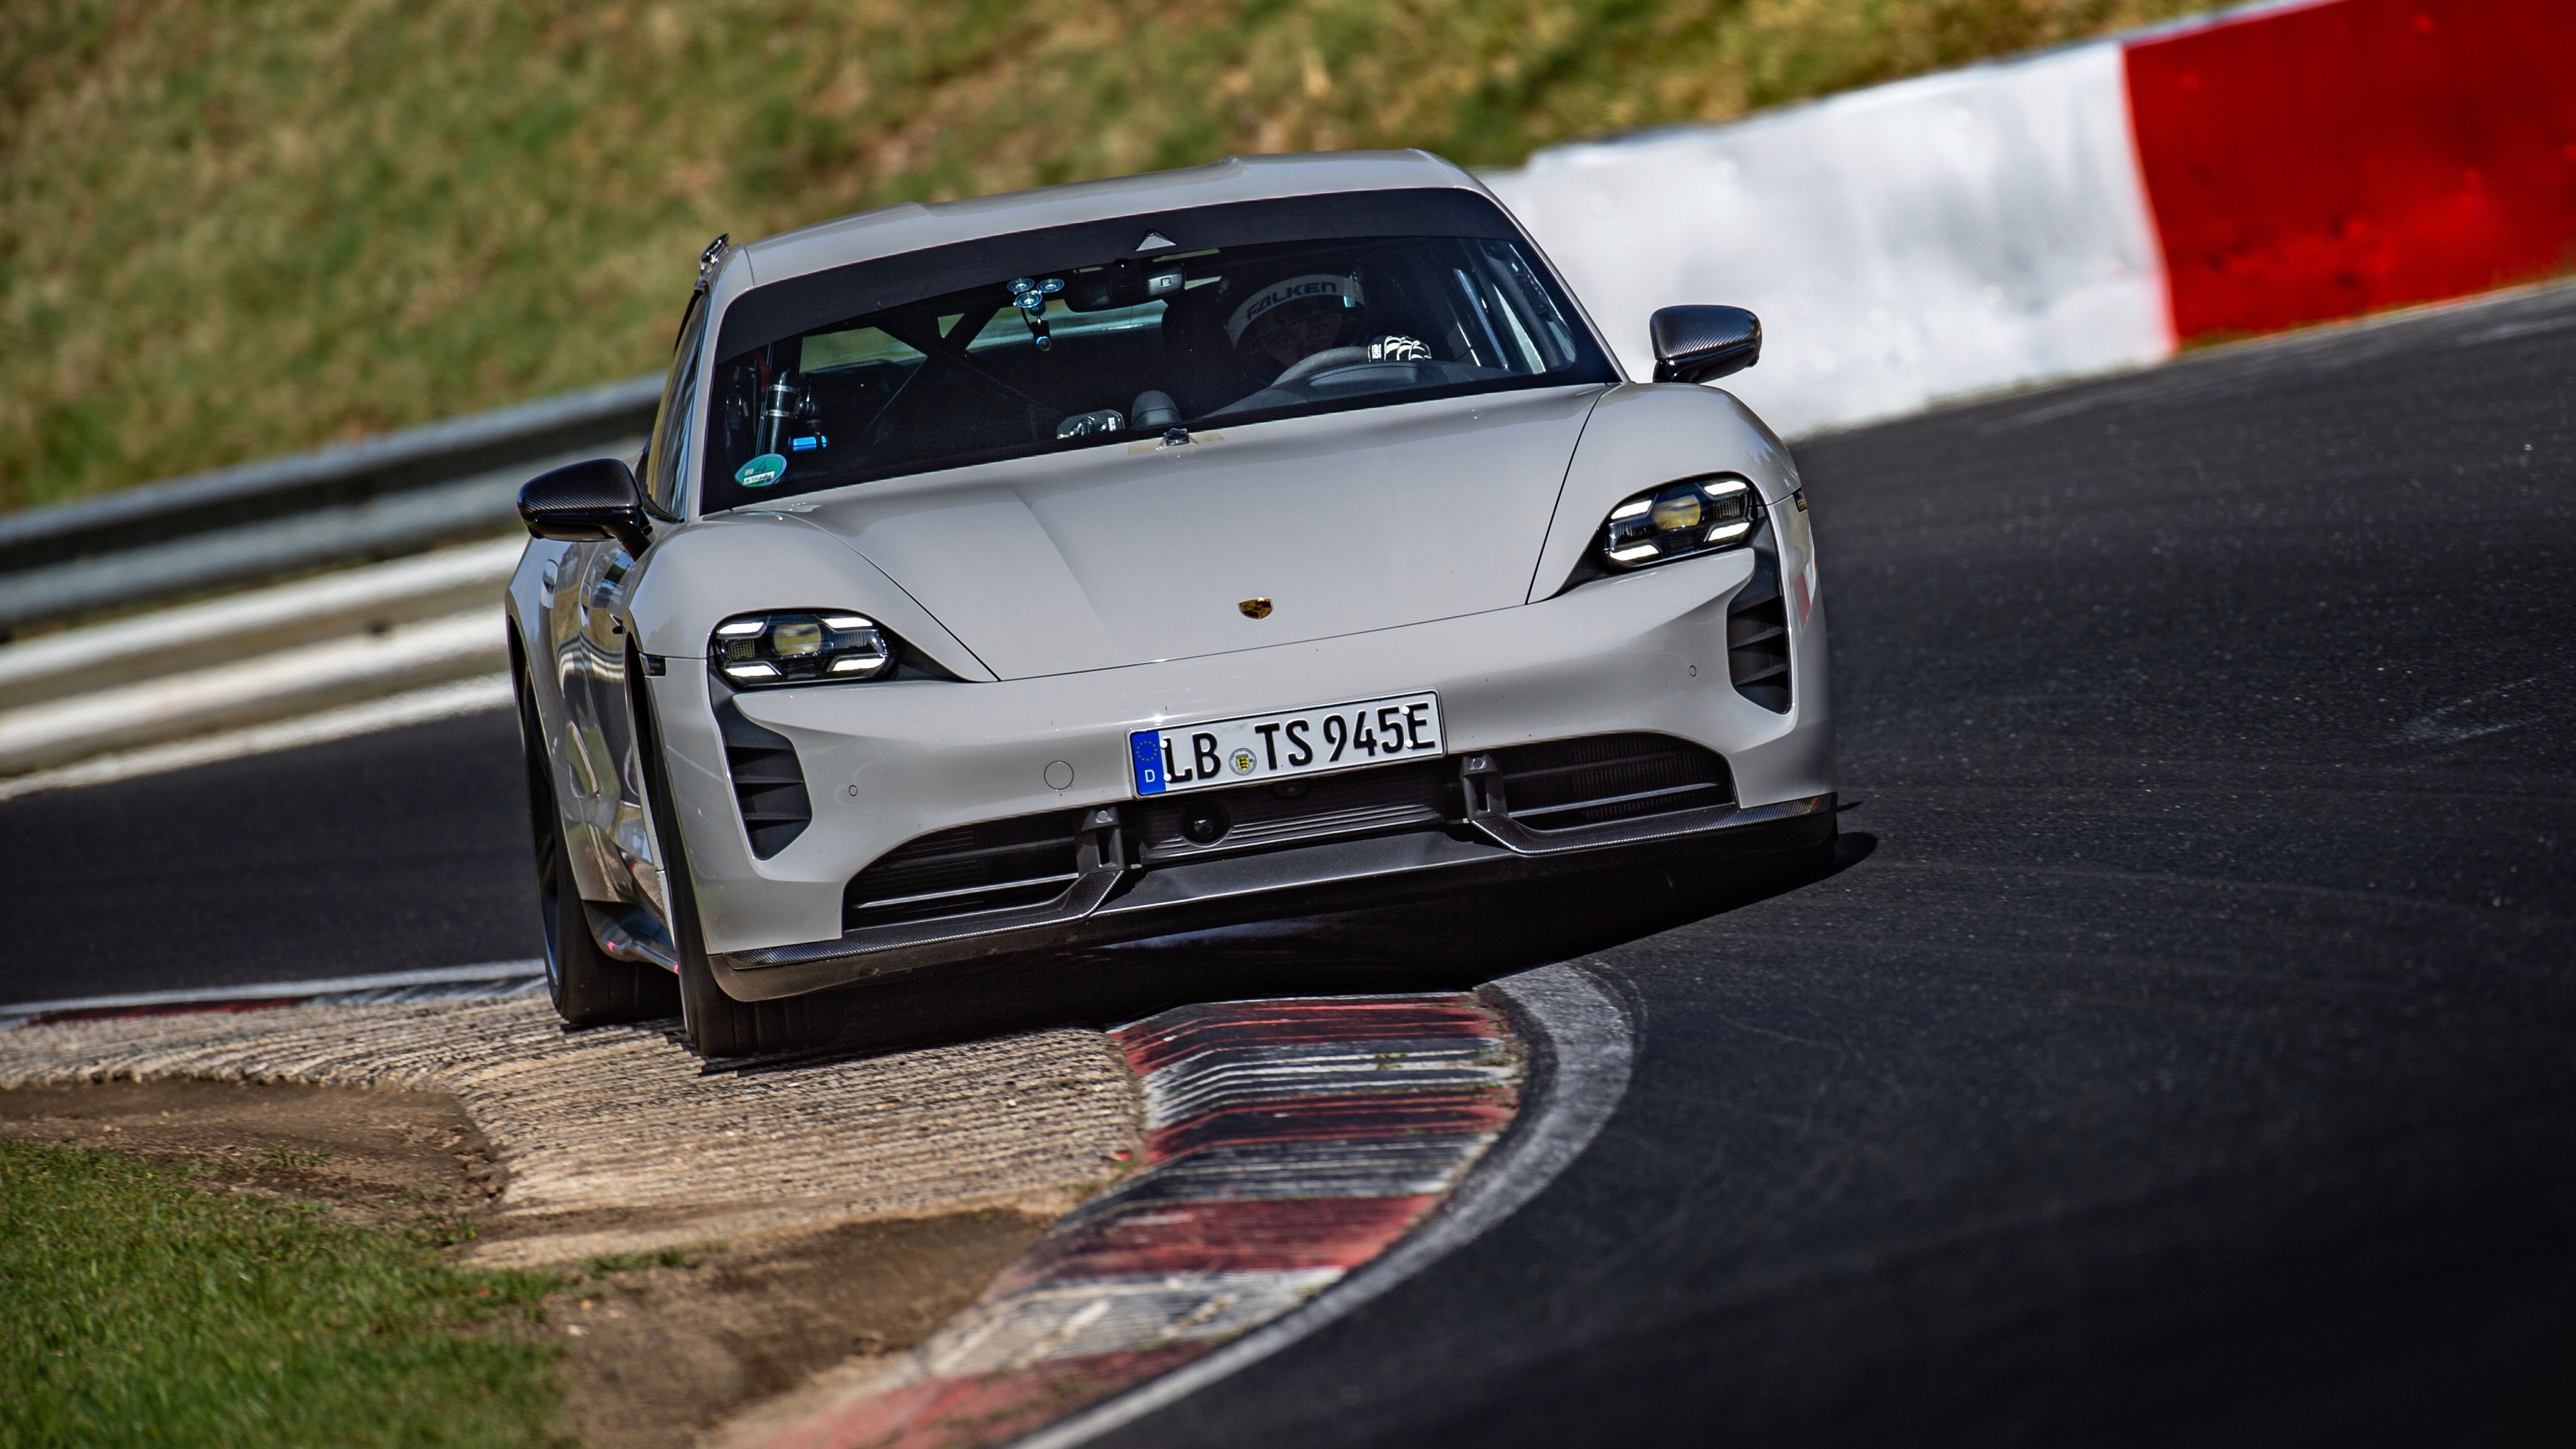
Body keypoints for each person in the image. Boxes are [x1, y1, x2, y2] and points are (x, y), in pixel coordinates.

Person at [1224, 271, 1430, 381]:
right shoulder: (1244, 416)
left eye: (1318, 329)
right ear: (1262, 350)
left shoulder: (1390, 362)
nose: (1308, 350)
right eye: (1283, 341)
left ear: (1345, 324)